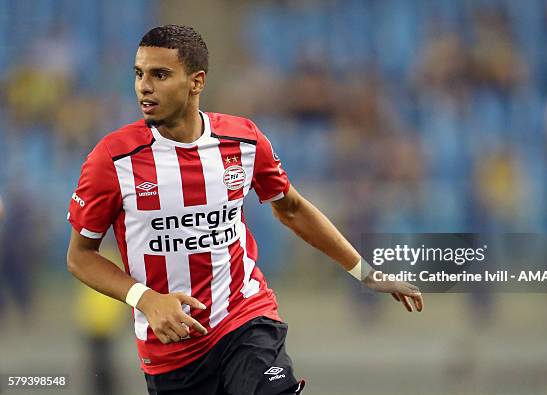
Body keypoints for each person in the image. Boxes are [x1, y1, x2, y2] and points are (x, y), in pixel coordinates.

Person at [66, 25, 423, 395]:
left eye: (160, 74)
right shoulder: (112, 158)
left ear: (196, 82)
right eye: (139, 74)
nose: (144, 86)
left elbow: (293, 209)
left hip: (245, 319)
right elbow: (80, 257)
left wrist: (366, 273)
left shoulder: (244, 140)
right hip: (172, 352)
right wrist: (147, 298)